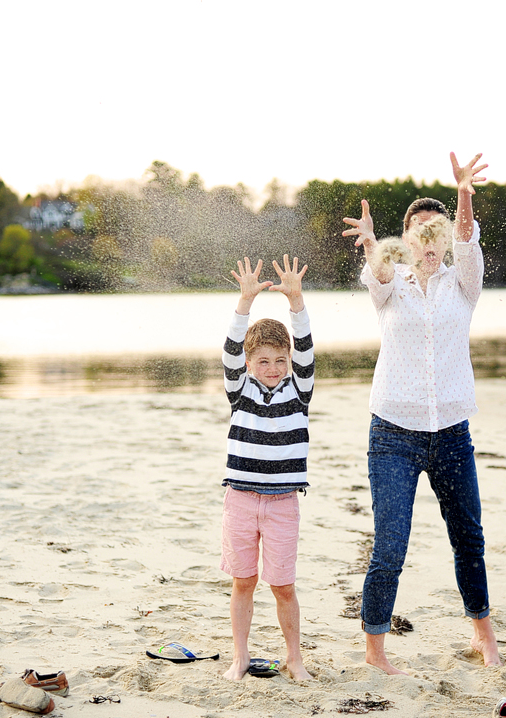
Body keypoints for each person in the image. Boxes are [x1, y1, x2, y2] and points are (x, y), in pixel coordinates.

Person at [341, 152, 502, 675]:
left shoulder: (464, 283)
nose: (429, 242)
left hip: (452, 432)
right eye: (419, 233)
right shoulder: (390, 286)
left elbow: (467, 237)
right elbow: (375, 272)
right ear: (407, 242)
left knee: (468, 537)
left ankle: (483, 631)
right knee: (390, 544)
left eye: (438, 232)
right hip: (392, 433)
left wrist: (462, 196)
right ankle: (375, 649)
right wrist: (369, 242)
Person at [220, 254, 314, 682]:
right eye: (263, 361)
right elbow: (230, 348)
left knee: (283, 586)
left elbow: (307, 346)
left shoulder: (299, 390)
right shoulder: (239, 391)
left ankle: (294, 658)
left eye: (280, 361)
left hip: (283, 503)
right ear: (249, 363)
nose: (273, 369)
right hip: (240, 499)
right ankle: (240, 656)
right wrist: (245, 303)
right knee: (243, 581)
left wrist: (296, 302)